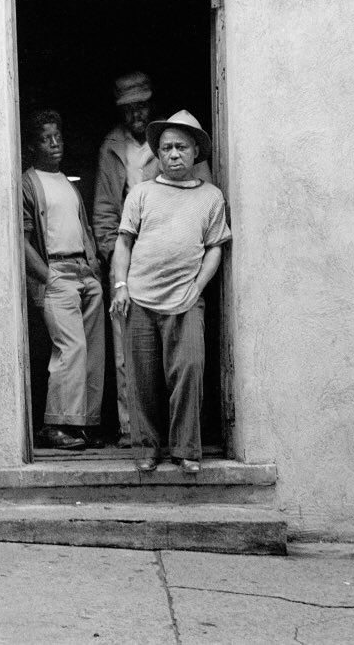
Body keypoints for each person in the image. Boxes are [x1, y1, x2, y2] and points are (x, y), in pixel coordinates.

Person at [93, 72, 212, 448]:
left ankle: (181, 442)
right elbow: (105, 209)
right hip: (133, 265)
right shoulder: (113, 147)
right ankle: (135, 433)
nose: (135, 115)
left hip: (179, 273)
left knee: (182, 361)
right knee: (130, 357)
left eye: (141, 106)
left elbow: (205, 206)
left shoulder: (174, 146)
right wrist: (117, 262)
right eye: (128, 109)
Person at [109, 110, 231, 474]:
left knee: (189, 371)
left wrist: (197, 286)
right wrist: (121, 286)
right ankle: (146, 448)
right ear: (158, 154)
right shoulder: (142, 194)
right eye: (165, 148)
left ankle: (186, 449)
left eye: (181, 147)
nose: (173, 154)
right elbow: (124, 242)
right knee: (141, 379)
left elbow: (216, 247)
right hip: (140, 299)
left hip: (185, 301)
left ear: (195, 152)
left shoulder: (211, 197)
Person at [22, 109, 105, 451]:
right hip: (55, 273)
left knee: (91, 351)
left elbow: (82, 228)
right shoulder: (29, 182)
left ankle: (83, 425)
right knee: (70, 349)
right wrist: (47, 275)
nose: (55, 144)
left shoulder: (68, 183)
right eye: (46, 138)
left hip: (83, 272)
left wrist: (94, 266)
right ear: (33, 145)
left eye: (58, 137)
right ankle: (54, 425)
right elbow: (21, 238)